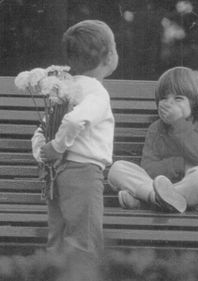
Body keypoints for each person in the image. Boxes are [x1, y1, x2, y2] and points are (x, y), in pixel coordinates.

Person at [31, 19, 118, 280]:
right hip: (84, 174)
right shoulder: (97, 93)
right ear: (109, 56)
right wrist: (57, 147)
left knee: (57, 239)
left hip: (58, 174)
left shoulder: (65, 89)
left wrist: (43, 152)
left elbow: (42, 129)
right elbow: (73, 121)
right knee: (84, 241)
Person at [108, 66, 198, 213]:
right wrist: (179, 164)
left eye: (178, 99)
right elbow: (148, 168)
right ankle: (158, 198)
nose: (169, 103)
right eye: (164, 98)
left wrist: (177, 123)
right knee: (117, 169)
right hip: (159, 191)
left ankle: (150, 201)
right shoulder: (156, 129)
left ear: (194, 102)